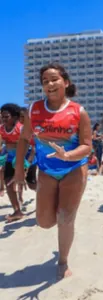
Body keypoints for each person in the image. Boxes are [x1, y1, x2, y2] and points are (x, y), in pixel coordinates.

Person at [13, 62, 92, 280]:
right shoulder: (34, 109)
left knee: (65, 217)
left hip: (74, 168)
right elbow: (23, 138)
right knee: (45, 222)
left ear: (65, 83)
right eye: (45, 81)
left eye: (54, 79)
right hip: (47, 170)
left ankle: (63, 261)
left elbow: (87, 145)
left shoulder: (79, 112)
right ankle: (63, 220)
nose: (49, 84)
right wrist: (19, 169)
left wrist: (67, 155)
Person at [0, 104, 37, 222]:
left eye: (6, 117)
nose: (4, 119)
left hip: (26, 158)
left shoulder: (21, 128)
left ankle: (46, 194)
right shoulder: (1, 129)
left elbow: (33, 147)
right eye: (2, 116)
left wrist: (26, 163)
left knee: (31, 185)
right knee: (8, 182)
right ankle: (17, 211)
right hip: (11, 159)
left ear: (14, 117)